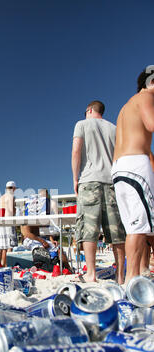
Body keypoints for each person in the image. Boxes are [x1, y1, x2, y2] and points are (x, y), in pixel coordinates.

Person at [72, 100, 126, 284]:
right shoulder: (114, 128)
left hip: (89, 180)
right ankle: (120, 276)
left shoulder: (82, 124)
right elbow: (120, 155)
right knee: (116, 232)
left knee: (89, 229)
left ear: (89, 110)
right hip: (111, 181)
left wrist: (75, 178)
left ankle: (91, 273)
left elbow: (76, 151)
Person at [112, 68, 154, 284]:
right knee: (141, 227)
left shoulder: (126, 106)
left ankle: (133, 279)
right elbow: (151, 124)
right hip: (136, 164)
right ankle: (132, 280)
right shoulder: (146, 97)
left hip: (120, 167)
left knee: (134, 227)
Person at [0, 181, 18, 266]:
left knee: (0, 247)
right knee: (9, 246)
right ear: (13, 188)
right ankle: (7, 266)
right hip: (8, 222)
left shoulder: (1, 197)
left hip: (1, 222)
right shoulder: (11, 196)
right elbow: (11, 211)